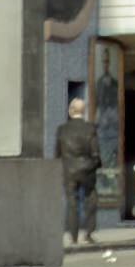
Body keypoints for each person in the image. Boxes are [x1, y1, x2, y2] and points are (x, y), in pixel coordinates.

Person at [55, 97, 101, 246]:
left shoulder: (62, 130)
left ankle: (73, 236)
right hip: (87, 170)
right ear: (84, 111)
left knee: (72, 203)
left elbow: (57, 153)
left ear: (70, 111)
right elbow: (95, 153)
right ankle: (88, 233)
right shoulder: (90, 129)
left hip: (69, 170)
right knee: (91, 199)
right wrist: (95, 165)